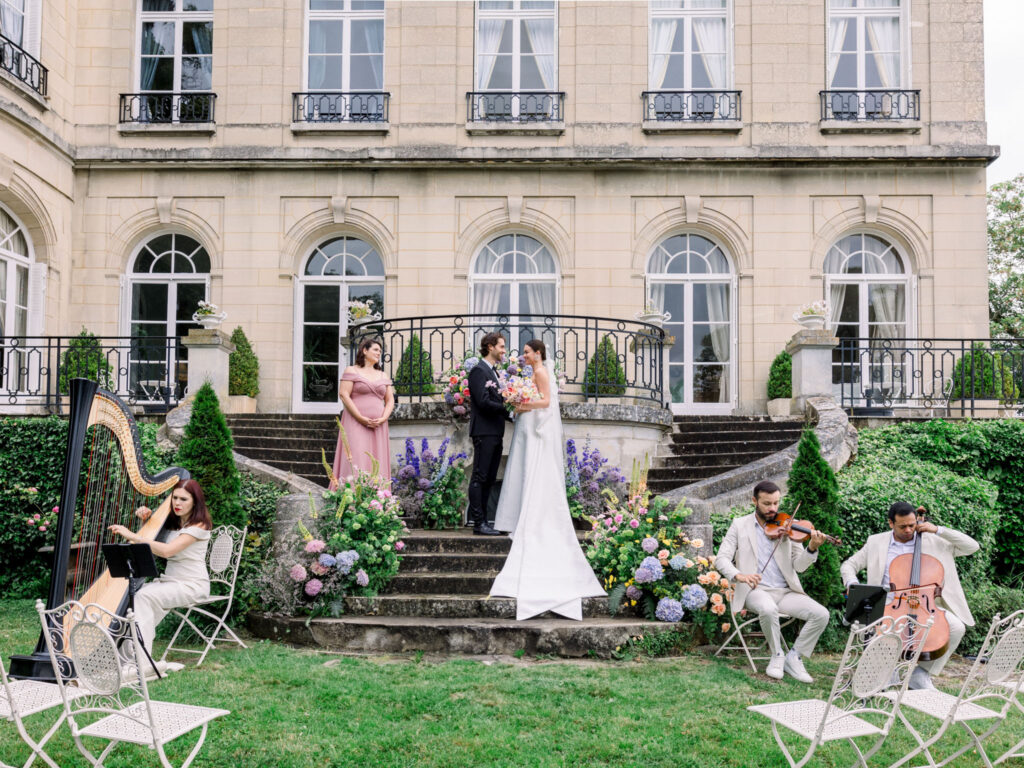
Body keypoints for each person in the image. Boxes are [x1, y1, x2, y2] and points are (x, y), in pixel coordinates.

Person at [490, 339, 606, 620]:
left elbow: (546, 401)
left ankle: (535, 515)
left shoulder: (540, 372)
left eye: (527, 352)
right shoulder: (534, 372)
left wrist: (521, 401)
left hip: (535, 425)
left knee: (535, 472)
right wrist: (519, 402)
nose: (523, 355)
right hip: (530, 425)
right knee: (526, 471)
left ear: (537, 353)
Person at [840, 501, 978, 690]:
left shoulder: (932, 540)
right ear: (891, 523)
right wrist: (852, 584)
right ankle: (885, 672)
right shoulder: (876, 541)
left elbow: (972, 546)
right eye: (902, 526)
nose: (908, 530)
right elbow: (849, 565)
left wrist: (938, 530)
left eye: (912, 525)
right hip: (889, 604)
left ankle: (919, 674)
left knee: (956, 628)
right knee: (882, 653)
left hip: (923, 605)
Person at [714, 480, 829, 683]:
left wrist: (811, 548)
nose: (773, 509)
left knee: (821, 614)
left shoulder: (787, 527)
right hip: (754, 590)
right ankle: (777, 655)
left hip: (785, 592)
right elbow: (721, 558)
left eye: (776, 503)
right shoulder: (739, 525)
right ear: (754, 501)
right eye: (767, 503)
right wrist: (740, 576)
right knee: (767, 608)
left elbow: (800, 566)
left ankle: (794, 657)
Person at [108, 479, 213, 668]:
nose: (177, 503)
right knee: (132, 596)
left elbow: (166, 551)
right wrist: (147, 519)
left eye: (183, 499)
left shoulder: (199, 527)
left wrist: (133, 536)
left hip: (192, 585)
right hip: (170, 582)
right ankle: (125, 658)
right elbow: (155, 540)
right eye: (174, 498)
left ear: (195, 502)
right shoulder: (174, 522)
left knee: (144, 597)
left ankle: (141, 662)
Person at [330, 338, 394, 489]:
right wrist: (361, 418)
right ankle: (351, 498)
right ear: (364, 350)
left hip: (378, 425)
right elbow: (344, 394)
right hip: (355, 422)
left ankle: (377, 500)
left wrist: (383, 418)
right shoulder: (352, 370)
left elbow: (390, 400)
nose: (379, 353)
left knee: (377, 460)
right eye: (376, 350)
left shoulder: (383, 375)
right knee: (356, 457)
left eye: (380, 351)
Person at [466, 332, 509, 536]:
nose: (504, 351)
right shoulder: (478, 371)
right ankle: (478, 522)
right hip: (484, 431)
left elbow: (496, 401)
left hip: (495, 432)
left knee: (490, 478)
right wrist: (506, 409)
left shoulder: (494, 372)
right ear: (490, 347)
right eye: (501, 346)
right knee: (480, 476)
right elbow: (483, 402)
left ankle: (484, 521)